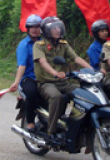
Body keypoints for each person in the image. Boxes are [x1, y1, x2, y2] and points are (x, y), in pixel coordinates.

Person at [33, 16, 92, 145]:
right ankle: (51, 131)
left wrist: (92, 70)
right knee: (56, 97)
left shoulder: (63, 45)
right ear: (47, 31)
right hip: (46, 83)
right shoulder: (39, 45)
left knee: (82, 92)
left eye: (59, 28)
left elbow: (76, 58)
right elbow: (43, 62)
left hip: (63, 82)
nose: (57, 30)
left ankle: (71, 120)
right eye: (54, 28)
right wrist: (55, 73)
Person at [9, 14, 42, 132]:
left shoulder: (44, 43)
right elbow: (22, 66)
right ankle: (30, 122)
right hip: (29, 77)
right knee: (32, 92)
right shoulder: (24, 45)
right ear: (27, 29)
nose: (34, 29)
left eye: (37, 26)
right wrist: (16, 83)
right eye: (31, 27)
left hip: (44, 77)